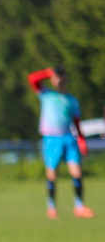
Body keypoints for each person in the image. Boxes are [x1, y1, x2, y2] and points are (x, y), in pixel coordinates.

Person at [27, 66, 95, 219]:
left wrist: (82, 140)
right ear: (53, 79)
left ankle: (79, 206)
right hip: (51, 139)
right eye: (56, 78)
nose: (59, 81)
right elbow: (32, 79)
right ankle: (51, 206)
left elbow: (77, 122)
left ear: (66, 79)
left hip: (69, 138)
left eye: (62, 78)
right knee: (52, 174)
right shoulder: (46, 95)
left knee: (76, 172)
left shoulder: (71, 99)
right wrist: (47, 72)